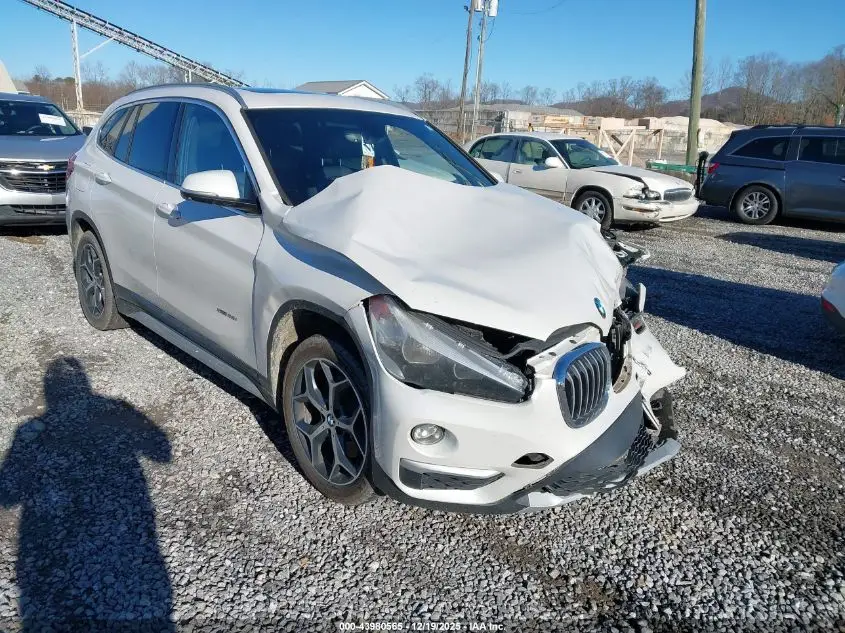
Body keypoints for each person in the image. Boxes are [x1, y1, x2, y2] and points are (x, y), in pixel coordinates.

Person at [0, 357, 173, 631]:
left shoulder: (26, 433)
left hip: (51, 566)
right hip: (133, 550)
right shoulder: (114, 408)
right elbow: (162, 452)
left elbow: (8, 495)